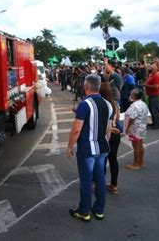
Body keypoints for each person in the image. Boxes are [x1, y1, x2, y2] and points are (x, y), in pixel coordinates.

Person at [67, 74, 113, 222]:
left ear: (86, 87)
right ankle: (99, 210)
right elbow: (109, 129)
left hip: (87, 149)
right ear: (98, 87)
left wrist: (70, 146)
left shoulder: (84, 105)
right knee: (100, 178)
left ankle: (84, 211)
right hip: (102, 148)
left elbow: (76, 130)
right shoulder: (108, 104)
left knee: (86, 181)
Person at [99, 82, 122, 194]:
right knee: (113, 159)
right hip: (115, 134)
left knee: (101, 160)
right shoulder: (115, 104)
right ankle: (114, 185)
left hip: (105, 134)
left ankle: (100, 184)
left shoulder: (101, 105)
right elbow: (117, 119)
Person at [124, 89, 149, 170]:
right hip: (142, 127)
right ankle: (141, 162)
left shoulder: (134, 106)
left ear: (133, 95)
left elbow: (132, 118)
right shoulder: (143, 104)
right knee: (140, 144)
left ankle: (136, 164)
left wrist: (127, 127)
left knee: (136, 146)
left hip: (135, 128)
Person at [145, 64, 159, 129]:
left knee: (155, 110)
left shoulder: (156, 76)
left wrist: (146, 86)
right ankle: (154, 122)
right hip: (151, 95)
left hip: (155, 95)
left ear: (154, 69)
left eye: (150, 67)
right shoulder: (151, 75)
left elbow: (156, 86)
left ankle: (157, 124)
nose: (148, 68)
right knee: (152, 109)